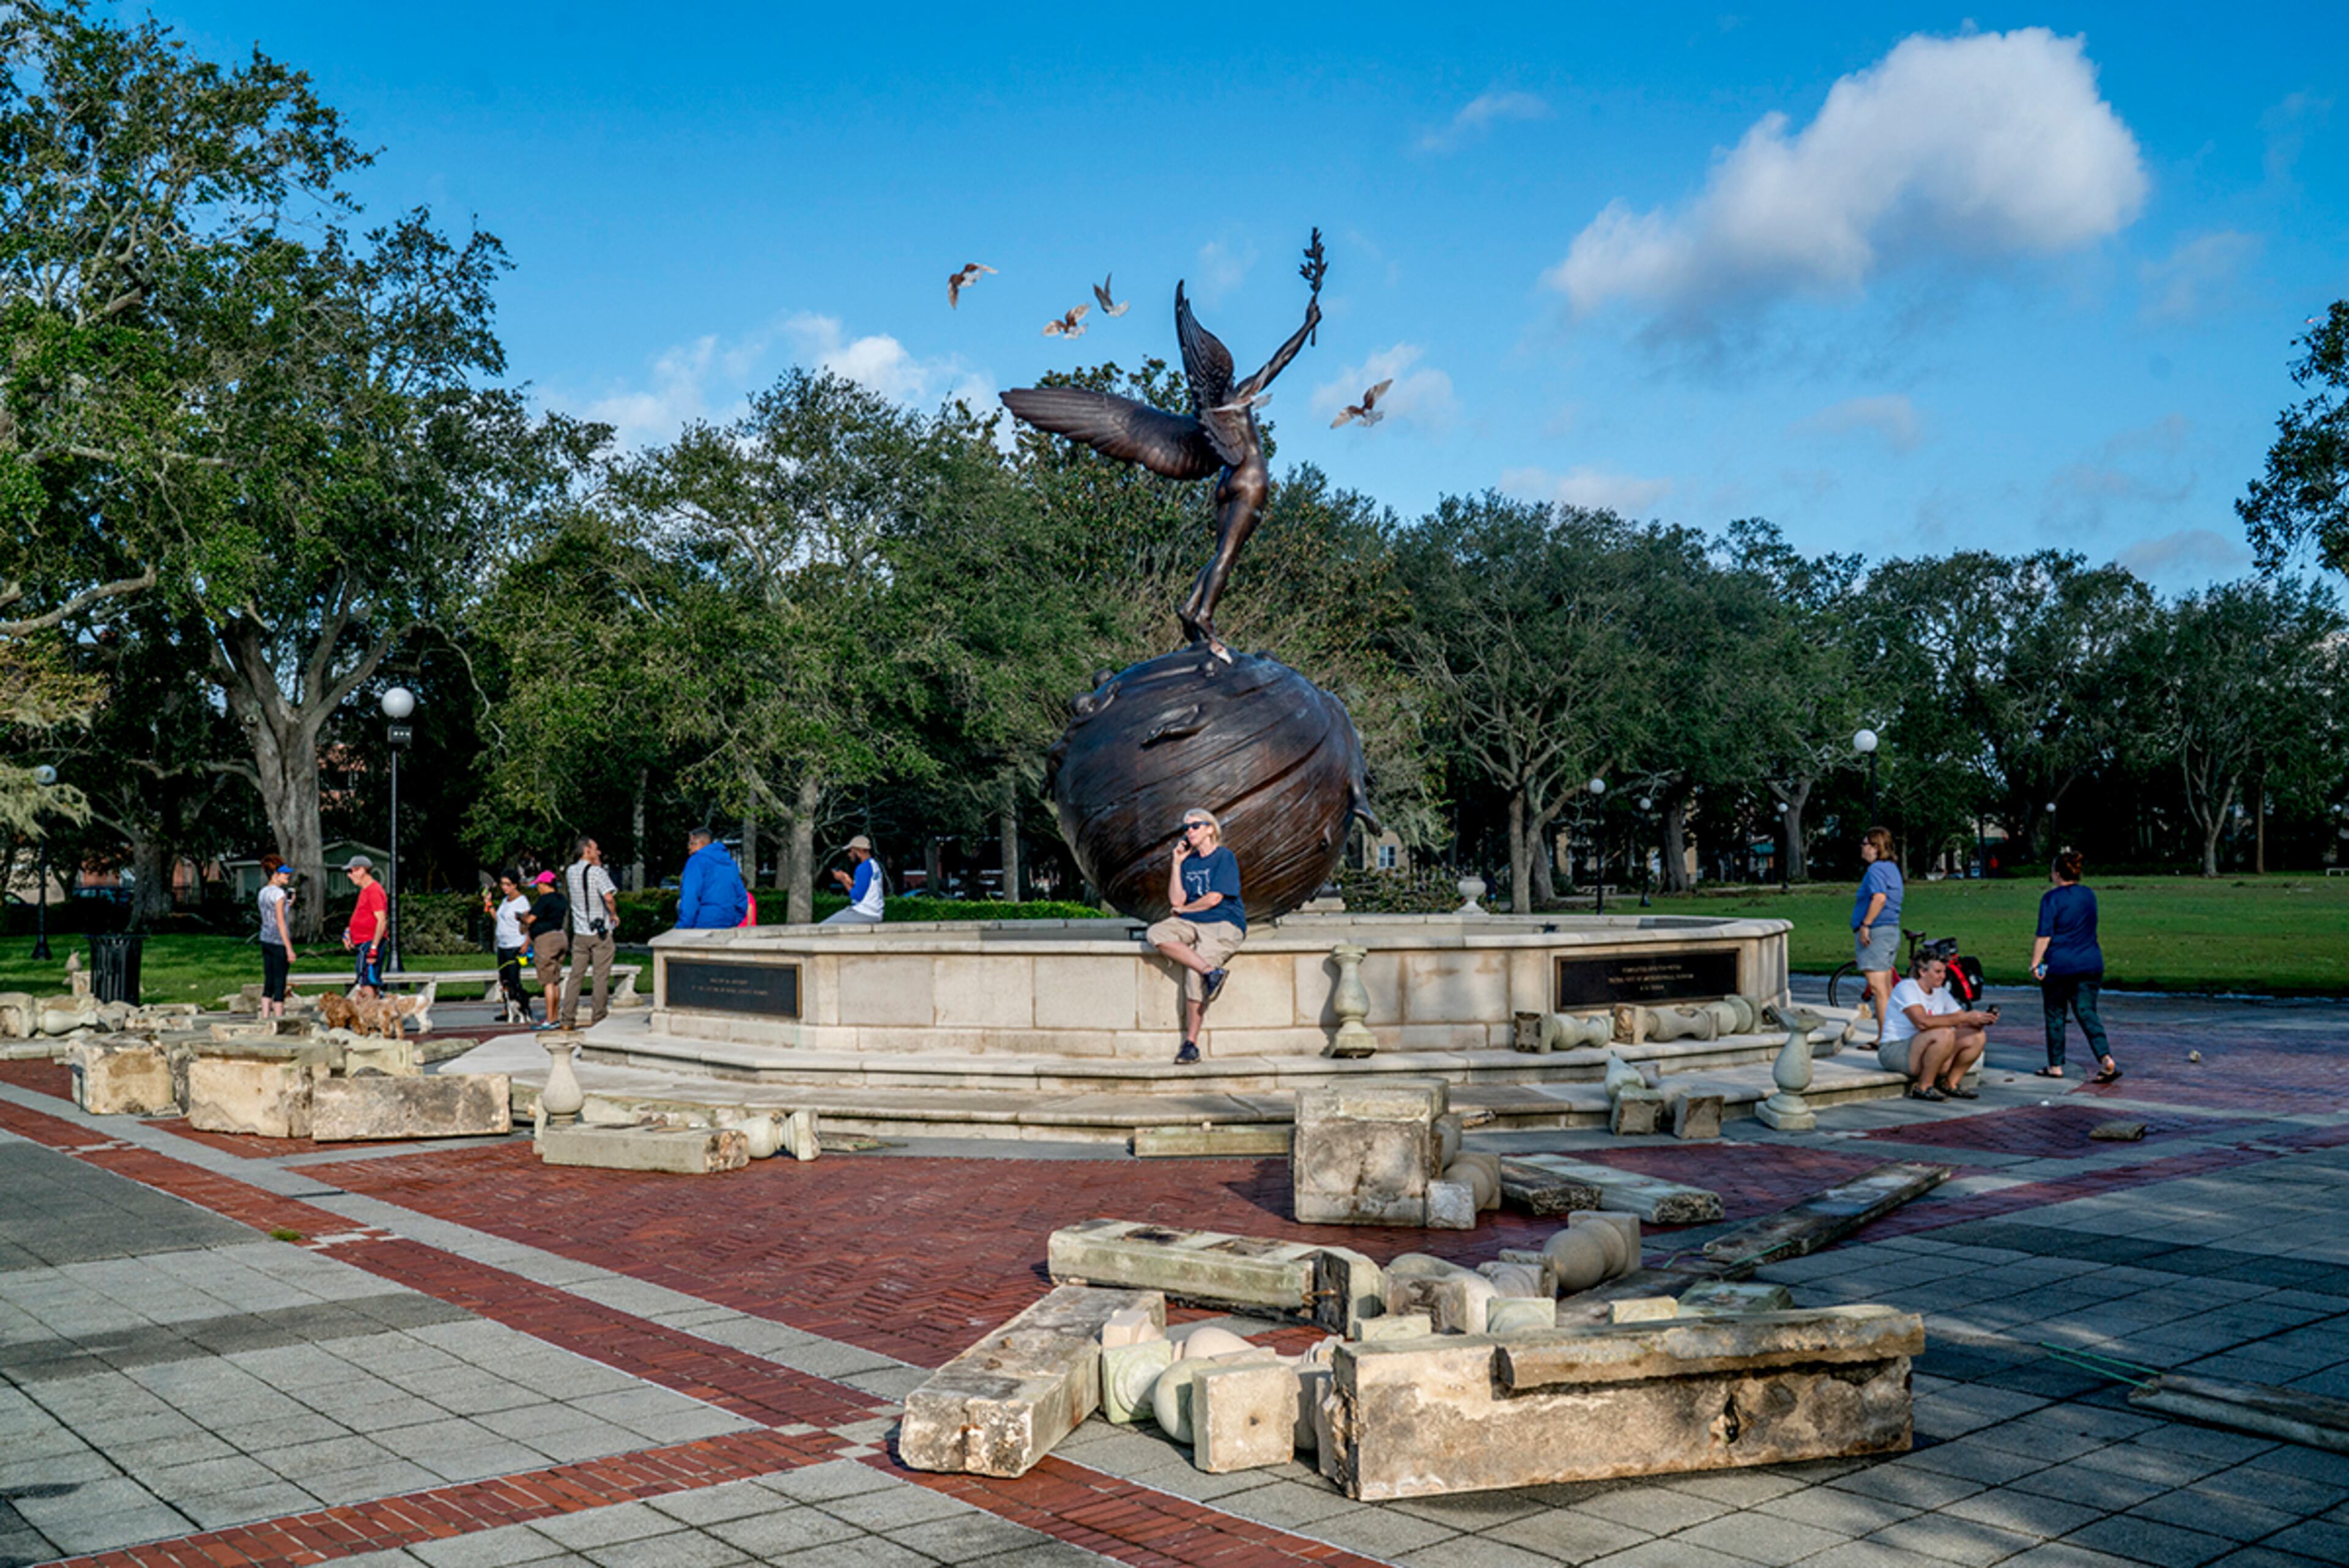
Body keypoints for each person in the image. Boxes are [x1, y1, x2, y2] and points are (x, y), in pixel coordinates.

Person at [1145, 808, 1244, 1065]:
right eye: (1186, 828)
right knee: (1156, 932)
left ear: (1210, 829)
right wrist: (1176, 864)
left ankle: (1191, 1044)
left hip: (1223, 923)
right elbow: (1176, 900)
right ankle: (1211, 971)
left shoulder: (1224, 857)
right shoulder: (1188, 862)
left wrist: (1184, 910)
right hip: (1193, 922)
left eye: (1195, 826)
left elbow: (1214, 899)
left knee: (1193, 973)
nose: (1189, 831)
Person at [2033, 849, 2119, 1083]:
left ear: (2058, 873)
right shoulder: (2089, 896)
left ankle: (2056, 1065)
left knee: (2055, 1014)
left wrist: (2035, 963)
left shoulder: (2051, 899)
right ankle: (2105, 1057)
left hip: (2060, 964)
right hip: (2090, 961)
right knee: (2087, 1011)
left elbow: (2044, 935)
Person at [1880, 951, 1997, 1102]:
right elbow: (1922, 1022)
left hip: (1923, 1046)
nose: (1943, 976)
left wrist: (1981, 1019)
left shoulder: (1941, 992)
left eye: (1944, 972)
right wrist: (1964, 1018)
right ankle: (1924, 1087)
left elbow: (1962, 1019)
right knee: (1944, 1033)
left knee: (1976, 1035)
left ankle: (1951, 1084)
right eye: (1937, 972)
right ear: (1922, 972)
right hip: (1895, 1050)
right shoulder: (1906, 987)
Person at [551, 837, 620, 1030]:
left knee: (576, 976)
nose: (599, 853)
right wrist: (613, 914)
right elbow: (608, 897)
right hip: (600, 932)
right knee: (600, 977)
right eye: (596, 849)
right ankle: (598, 1018)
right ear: (587, 851)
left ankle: (567, 1019)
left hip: (580, 932)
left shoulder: (571, 871)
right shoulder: (598, 873)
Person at [1852, 828, 1904, 1044]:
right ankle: (1891, 1034)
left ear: (1876, 847)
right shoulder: (1891, 868)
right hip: (1890, 930)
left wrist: (1866, 925)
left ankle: (1885, 1038)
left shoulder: (1875, 871)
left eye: (1865, 844)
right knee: (1886, 988)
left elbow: (1879, 898)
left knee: (1878, 988)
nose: (1862, 848)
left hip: (1877, 933)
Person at [485, 871, 535, 1024]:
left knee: (514, 980)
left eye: (508, 885)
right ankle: (508, 1009)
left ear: (515, 885)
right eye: (503, 884)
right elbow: (500, 919)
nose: (505, 888)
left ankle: (522, 1009)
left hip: (516, 945)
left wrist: (526, 943)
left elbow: (529, 924)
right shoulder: (506, 901)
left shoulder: (522, 902)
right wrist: (489, 903)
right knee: (504, 980)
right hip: (503, 945)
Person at [676, 826, 749, 929]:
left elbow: (691, 895)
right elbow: (742, 898)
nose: (689, 847)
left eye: (690, 843)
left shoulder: (696, 861)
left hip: (701, 925)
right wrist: (733, 921)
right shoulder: (731, 864)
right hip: (727, 923)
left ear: (699, 843)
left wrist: (683, 926)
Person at [343, 855, 388, 998]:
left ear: (362, 870)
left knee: (367, 981)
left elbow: (381, 921)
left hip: (370, 942)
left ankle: (370, 1014)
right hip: (363, 942)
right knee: (368, 979)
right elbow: (363, 916)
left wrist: (374, 948)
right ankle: (375, 1013)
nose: (349, 876)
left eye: (352, 871)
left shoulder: (374, 890)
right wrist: (349, 931)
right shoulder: (365, 891)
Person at [528, 870, 569, 1027]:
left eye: (539, 885)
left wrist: (521, 918)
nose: (538, 888)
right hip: (561, 937)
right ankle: (556, 1017)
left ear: (545, 884)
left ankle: (550, 1019)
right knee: (555, 980)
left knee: (548, 982)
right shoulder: (562, 899)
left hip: (546, 940)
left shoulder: (544, 900)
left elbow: (531, 919)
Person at [257, 856, 295, 1019]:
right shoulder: (279, 894)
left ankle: (265, 1016)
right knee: (280, 982)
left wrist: (288, 905)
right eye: (283, 874)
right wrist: (289, 948)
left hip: (266, 939)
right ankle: (279, 1019)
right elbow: (280, 922)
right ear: (274, 874)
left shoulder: (263, 892)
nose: (287, 876)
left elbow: (271, 913)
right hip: (279, 942)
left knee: (269, 980)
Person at [822, 835, 885, 926]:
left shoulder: (863, 868)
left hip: (864, 913)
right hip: (874, 913)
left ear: (858, 851)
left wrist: (843, 880)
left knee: (823, 927)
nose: (849, 854)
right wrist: (850, 882)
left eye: (851, 851)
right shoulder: (874, 865)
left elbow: (857, 896)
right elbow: (866, 889)